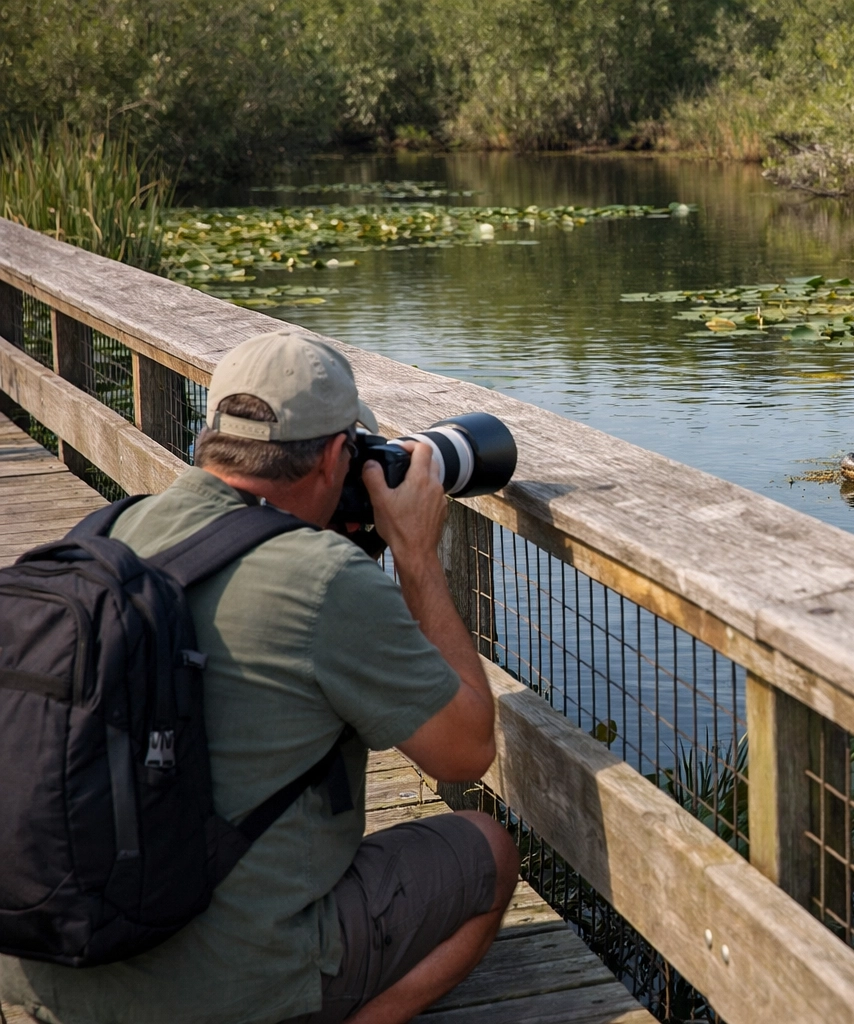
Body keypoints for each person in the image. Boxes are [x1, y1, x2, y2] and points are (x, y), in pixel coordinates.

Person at [0, 330, 520, 1024]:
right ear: (338, 455)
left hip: (48, 967)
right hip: (225, 990)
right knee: (487, 849)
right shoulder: (324, 580)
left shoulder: (104, 533)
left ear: (209, 438)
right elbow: (465, 751)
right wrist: (416, 554)